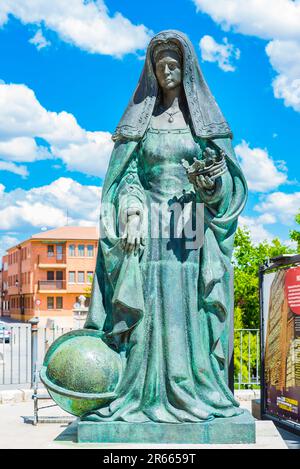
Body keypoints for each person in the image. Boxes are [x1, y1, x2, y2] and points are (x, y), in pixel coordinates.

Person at [84, 30, 248, 423]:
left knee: (185, 308)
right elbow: (126, 178)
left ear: (187, 70)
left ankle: (191, 385)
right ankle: (138, 392)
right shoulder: (140, 123)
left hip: (189, 228)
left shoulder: (205, 124)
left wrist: (212, 186)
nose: (168, 71)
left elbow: (226, 182)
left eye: (175, 65)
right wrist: (133, 211)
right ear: (152, 74)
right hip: (146, 229)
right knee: (144, 310)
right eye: (161, 67)